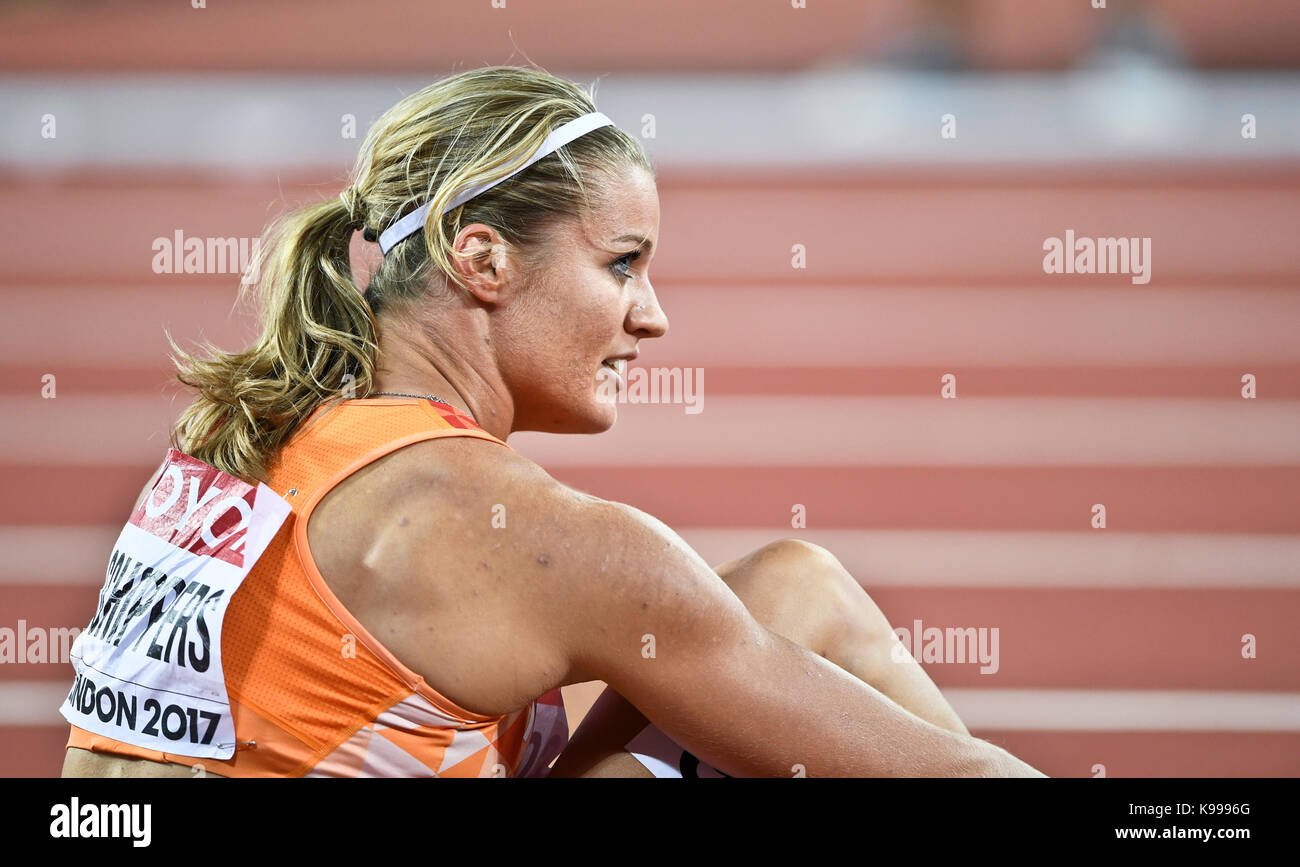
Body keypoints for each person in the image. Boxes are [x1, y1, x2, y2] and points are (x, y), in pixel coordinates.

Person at [61, 64, 1044, 778]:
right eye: (622, 263)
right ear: (483, 261)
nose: (652, 315)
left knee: (797, 592)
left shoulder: (248, 433)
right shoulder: (522, 535)